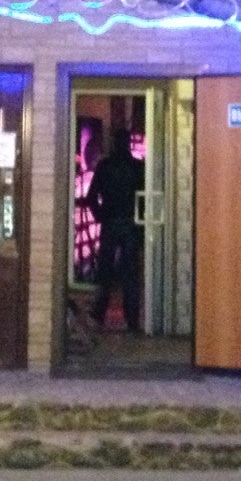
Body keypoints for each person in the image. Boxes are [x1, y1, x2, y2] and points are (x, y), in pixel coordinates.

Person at [85, 130, 146, 333]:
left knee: (105, 272)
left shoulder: (105, 166)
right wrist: (141, 222)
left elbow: (91, 197)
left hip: (110, 222)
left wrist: (101, 215)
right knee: (130, 274)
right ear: (128, 144)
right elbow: (144, 198)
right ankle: (132, 320)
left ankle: (99, 314)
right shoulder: (137, 167)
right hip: (130, 223)